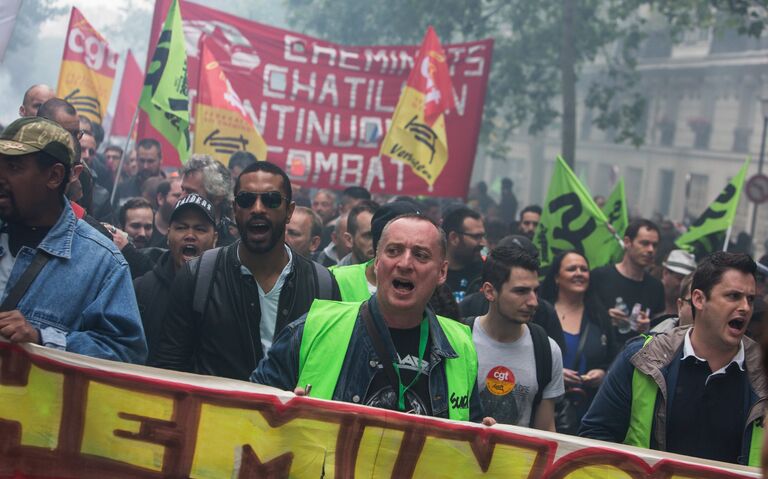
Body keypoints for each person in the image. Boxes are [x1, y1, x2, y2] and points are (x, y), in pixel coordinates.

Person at [251, 214, 484, 422]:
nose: (404, 264)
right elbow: (249, 409)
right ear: (378, 262)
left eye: (421, 255)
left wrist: (486, 443)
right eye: (393, 251)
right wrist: (283, 414)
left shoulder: (460, 345)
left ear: (442, 272)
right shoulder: (315, 327)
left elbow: (468, 443)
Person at [153, 161, 340, 380]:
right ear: (235, 210)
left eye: (271, 200)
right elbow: (169, 368)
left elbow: (330, 372)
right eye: (246, 200)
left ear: (289, 212)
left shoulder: (322, 285)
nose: (258, 208)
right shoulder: (198, 276)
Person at [580, 251, 766, 466]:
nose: (745, 307)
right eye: (733, 296)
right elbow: (595, 437)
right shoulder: (643, 358)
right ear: (698, 299)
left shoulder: (763, 372)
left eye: (750, 299)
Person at [0, 117, 146, 363]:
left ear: (55, 176)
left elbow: (125, 352)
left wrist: (41, 339)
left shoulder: (101, 262)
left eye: (14, 168)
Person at [467, 246, 564, 430]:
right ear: (489, 292)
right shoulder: (460, 340)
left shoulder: (547, 351)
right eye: (521, 291)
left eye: (535, 291)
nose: (533, 301)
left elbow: (546, 432)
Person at [539, 251, 617, 434]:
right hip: (548, 409)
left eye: (584, 269)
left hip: (589, 411)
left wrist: (603, 373)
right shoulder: (541, 312)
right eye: (572, 269)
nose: (579, 273)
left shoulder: (599, 316)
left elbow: (613, 356)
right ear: (557, 277)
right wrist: (555, 374)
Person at [134, 194, 217, 364]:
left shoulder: (224, 292)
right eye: (181, 228)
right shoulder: (141, 289)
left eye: (200, 229)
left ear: (215, 238)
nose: (190, 235)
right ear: (168, 234)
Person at [590, 219, 664, 344]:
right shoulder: (600, 276)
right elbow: (583, 315)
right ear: (627, 242)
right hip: (601, 356)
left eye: (654, 245)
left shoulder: (656, 287)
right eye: (645, 243)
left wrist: (649, 327)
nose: (651, 250)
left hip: (637, 357)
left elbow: (661, 332)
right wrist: (605, 316)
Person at [180, 154, 237, 246]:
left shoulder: (232, 246)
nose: (181, 197)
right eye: (182, 190)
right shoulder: (173, 235)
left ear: (217, 196)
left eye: (191, 192)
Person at [442, 206, 486, 300]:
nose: (482, 243)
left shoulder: (486, 273)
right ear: (454, 238)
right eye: (476, 237)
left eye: (482, 236)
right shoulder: (431, 273)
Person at [113, 138, 164, 208]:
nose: (145, 166)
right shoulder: (122, 188)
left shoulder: (169, 190)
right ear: (136, 159)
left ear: (160, 159)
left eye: (150, 161)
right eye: (142, 161)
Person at [656, 249, 696, 322]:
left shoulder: (690, 308)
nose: (683, 285)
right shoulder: (649, 294)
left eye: (687, 281)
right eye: (679, 278)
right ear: (665, 273)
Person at [336, 200, 378, 266]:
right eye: (368, 236)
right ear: (349, 240)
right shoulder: (336, 275)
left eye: (380, 235)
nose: (376, 242)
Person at [148, 177, 183, 248]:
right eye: (177, 196)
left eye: (185, 197)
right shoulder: (144, 226)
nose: (182, 201)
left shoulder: (186, 232)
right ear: (160, 198)